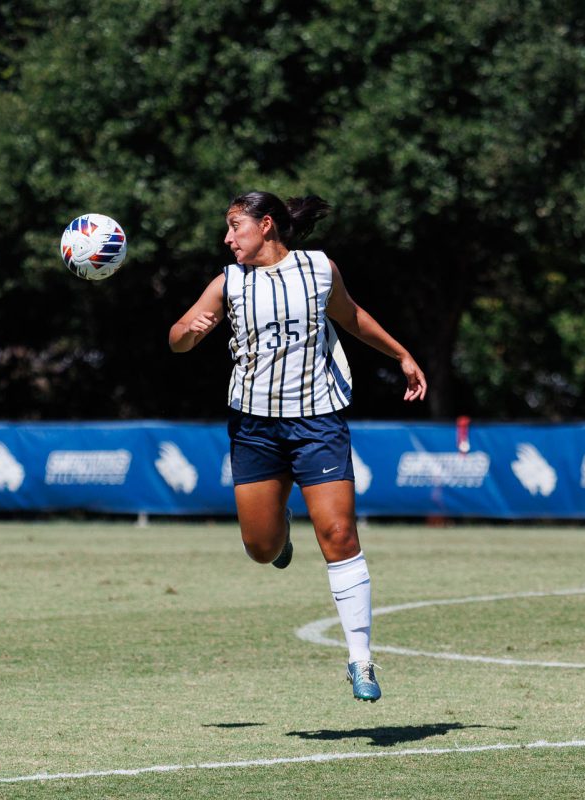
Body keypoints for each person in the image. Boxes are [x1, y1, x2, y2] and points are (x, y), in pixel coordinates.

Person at [169, 192, 426, 702]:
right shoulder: (228, 282)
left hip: (318, 421)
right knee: (261, 549)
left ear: (266, 226)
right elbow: (176, 336)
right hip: (255, 427)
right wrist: (191, 333)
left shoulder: (318, 269)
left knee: (338, 533)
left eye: (234, 226)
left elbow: (352, 317)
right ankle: (280, 534)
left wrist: (402, 355)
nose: (227, 238)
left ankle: (361, 660)